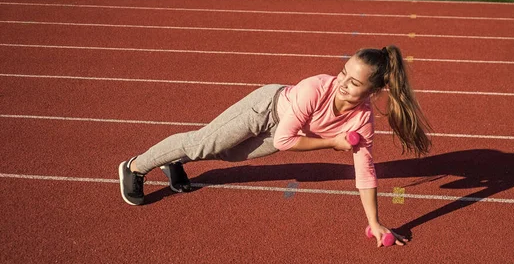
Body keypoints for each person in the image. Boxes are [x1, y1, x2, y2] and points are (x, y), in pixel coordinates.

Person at [119, 45, 432, 247]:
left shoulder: (361, 121)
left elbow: (364, 172)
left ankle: (174, 162)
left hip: (282, 129)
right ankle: (135, 166)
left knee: (225, 153)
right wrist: (332, 143)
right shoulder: (315, 89)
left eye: (353, 82)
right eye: (343, 72)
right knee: (202, 142)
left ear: (373, 90)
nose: (342, 82)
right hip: (265, 109)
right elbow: (284, 140)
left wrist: (374, 223)